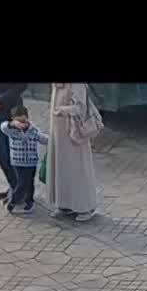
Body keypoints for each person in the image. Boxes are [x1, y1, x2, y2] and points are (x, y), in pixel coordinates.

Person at [47, 82, 98, 221]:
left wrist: (63, 110)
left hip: (73, 136)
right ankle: (64, 204)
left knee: (78, 171)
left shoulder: (76, 84)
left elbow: (81, 108)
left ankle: (85, 207)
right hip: (59, 135)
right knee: (61, 169)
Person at [0, 106, 49, 215]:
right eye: (19, 121)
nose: (22, 123)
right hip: (18, 162)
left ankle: (29, 201)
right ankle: (13, 202)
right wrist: (12, 124)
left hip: (31, 162)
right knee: (22, 183)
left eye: (24, 120)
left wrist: (53, 141)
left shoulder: (33, 130)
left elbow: (43, 138)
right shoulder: (11, 131)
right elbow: (3, 127)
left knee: (30, 183)